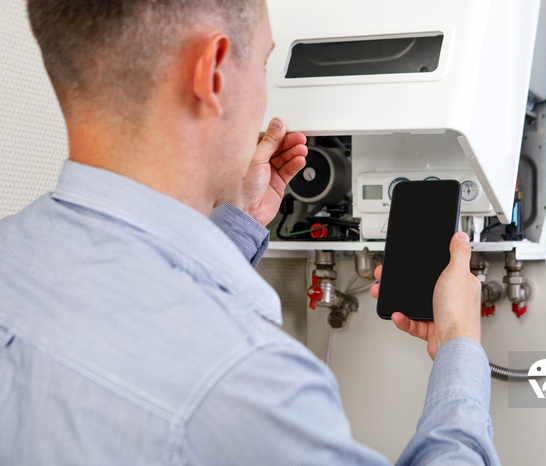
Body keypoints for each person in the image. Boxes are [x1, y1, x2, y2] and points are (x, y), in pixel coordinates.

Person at [0, 0, 500, 464]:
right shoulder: (246, 381)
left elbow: (134, 309)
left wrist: (236, 225)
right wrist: (460, 344)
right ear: (213, 72)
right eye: (263, 64)